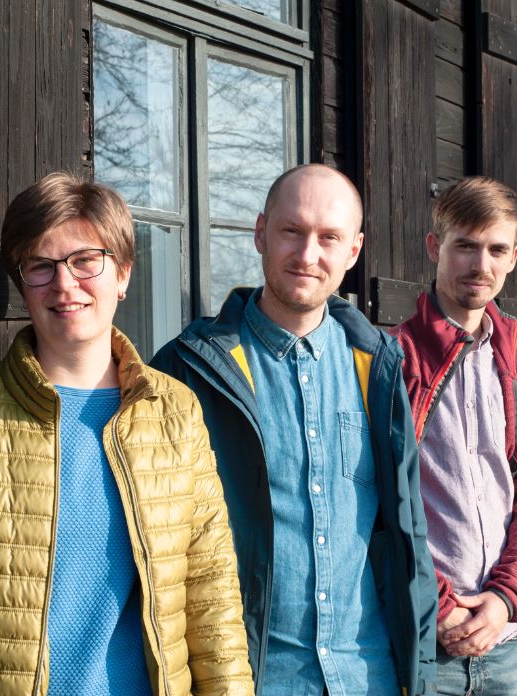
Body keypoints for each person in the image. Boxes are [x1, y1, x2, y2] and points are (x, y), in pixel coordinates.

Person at [0, 172, 253, 695]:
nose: (64, 284)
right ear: (20, 282)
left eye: (85, 261)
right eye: (41, 266)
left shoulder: (175, 412)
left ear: (122, 273)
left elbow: (212, 595)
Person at [151, 163, 438, 696]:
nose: (308, 255)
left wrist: (417, 674)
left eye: (329, 237)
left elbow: (409, 535)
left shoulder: (379, 366)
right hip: (252, 681)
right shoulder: (187, 370)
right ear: (260, 233)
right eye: (292, 231)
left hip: (367, 676)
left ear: (353, 251)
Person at [391, 176, 517, 696]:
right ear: (434, 247)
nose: (480, 265)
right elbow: (377, 499)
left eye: (496, 249)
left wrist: (508, 597)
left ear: (513, 257)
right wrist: (437, 606)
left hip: (503, 646)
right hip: (422, 646)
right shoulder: (394, 359)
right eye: (465, 245)